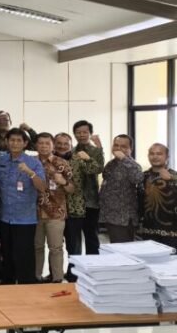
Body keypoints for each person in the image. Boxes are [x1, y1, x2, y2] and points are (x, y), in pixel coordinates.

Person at [0, 128, 46, 284]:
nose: (15, 143)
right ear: (6, 142)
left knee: (24, 254)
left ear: (25, 143)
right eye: (12, 140)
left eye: (19, 140)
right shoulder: (1, 160)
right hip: (4, 215)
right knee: (7, 252)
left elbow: (42, 187)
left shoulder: (33, 162)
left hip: (25, 217)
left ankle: (26, 284)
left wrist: (30, 173)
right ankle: (8, 281)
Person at [53, 133, 101, 282]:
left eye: (65, 143)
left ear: (70, 144)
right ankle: (55, 274)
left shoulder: (78, 158)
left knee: (74, 244)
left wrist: (89, 157)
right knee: (55, 245)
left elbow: (95, 169)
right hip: (53, 208)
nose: (62, 146)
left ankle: (74, 273)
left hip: (75, 207)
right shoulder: (49, 159)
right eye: (59, 143)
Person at [35, 133, 73, 283]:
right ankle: (36, 277)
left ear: (52, 145)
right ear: (36, 145)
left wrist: (63, 181)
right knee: (37, 247)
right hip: (34, 213)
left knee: (56, 248)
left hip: (56, 213)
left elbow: (72, 188)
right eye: (41, 143)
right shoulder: (31, 163)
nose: (44, 146)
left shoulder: (61, 163)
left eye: (47, 143)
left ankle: (57, 279)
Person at [99, 134, 143, 243]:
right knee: (115, 251)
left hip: (123, 219)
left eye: (123, 146)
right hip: (109, 216)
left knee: (124, 252)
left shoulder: (133, 165)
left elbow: (138, 178)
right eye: (116, 145)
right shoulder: (110, 164)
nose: (118, 149)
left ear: (130, 149)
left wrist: (124, 159)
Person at [72, 120, 104, 254]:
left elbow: (99, 169)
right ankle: (74, 270)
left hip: (91, 200)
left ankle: (94, 267)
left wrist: (98, 149)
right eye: (78, 132)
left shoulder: (96, 150)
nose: (81, 135)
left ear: (90, 133)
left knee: (91, 236)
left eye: (85, 132)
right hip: (73, 200)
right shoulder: (71, 151)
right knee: (74, 238)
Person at [138, 143, 177, 249]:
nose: (155, 156)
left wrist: (171, 180)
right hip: (147, 230)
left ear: (167, 157)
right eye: (152, 153)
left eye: (159, 154)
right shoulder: (143, 176)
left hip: (172, 232)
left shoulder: (174, 176)